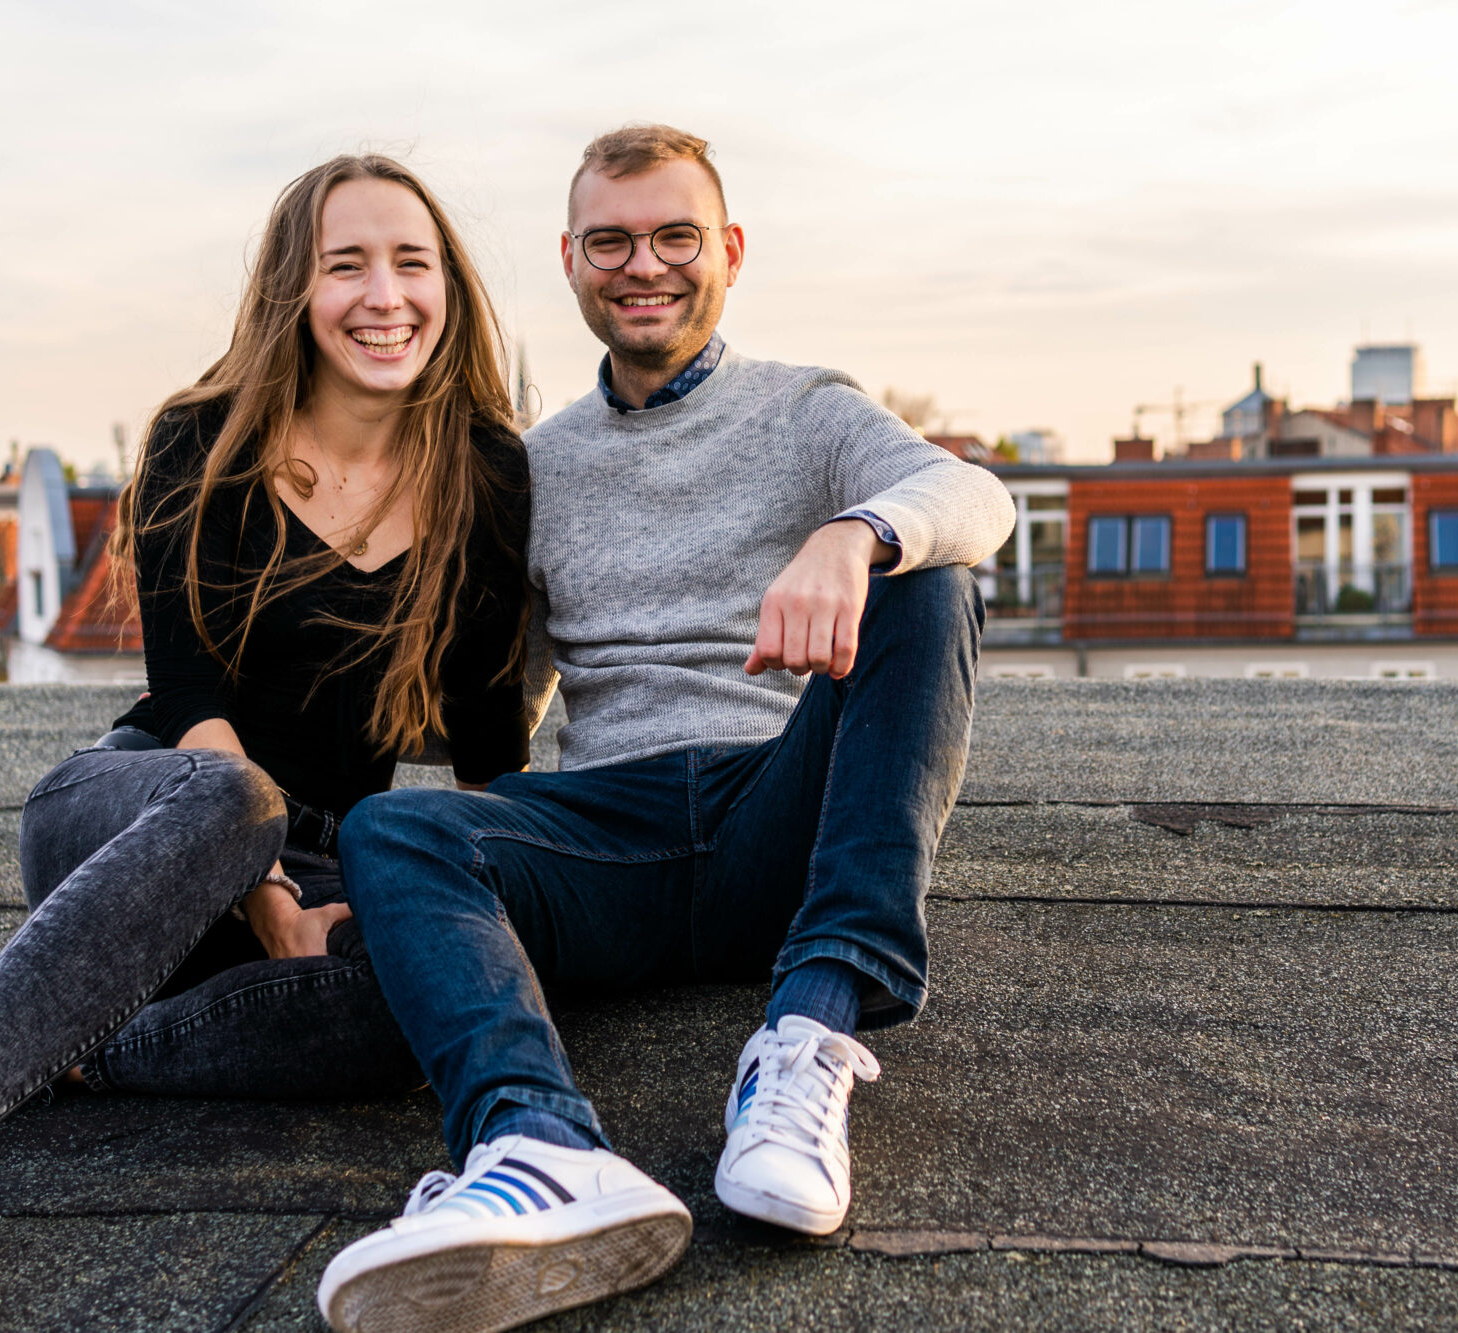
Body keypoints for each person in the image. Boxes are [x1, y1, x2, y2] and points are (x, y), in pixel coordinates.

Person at [0, 154, 532, 1333]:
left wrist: (479, 910)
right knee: (236, 797)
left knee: (421, 1002)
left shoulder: (486, 471)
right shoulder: (205, 438)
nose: (384, 293)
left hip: (308, 857)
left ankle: (55, 1046)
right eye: (344, 264)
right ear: (293, 290)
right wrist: (267, 900)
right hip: (144, 805)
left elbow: (488, 747)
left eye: (412, 261)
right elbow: (192, 697)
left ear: (449, 286)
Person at [313, 125, 1015, 1333]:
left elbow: (977, 497)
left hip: (775, 816)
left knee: (934, 575)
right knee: (397, 830)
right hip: (610, 847)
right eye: (613, 241)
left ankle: (809, 1037)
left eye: (675, 236)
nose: (647, 265)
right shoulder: (528, 465)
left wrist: (852, 536)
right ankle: (536, 1147)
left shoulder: (805, 410)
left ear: (727, 250)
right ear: (573, 260)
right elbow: (490, 701)